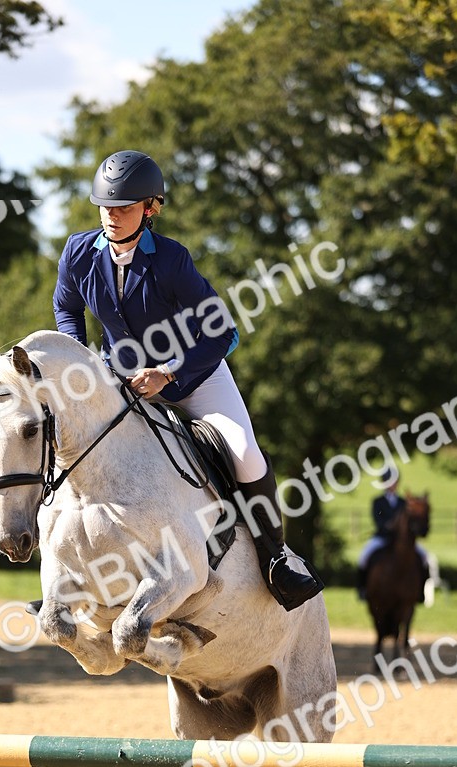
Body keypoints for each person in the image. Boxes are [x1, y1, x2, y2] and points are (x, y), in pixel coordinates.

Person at [52, 149, 323, 612]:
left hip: (194, 376)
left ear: (150, 209)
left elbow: (224, 333)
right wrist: (81, 359)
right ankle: (63, 572)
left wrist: (170, 372)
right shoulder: (78, 252)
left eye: (124, 207)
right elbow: (66, 309)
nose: (112, 216)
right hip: (121, 379)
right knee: (69, 444)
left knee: (243, 452)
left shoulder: (172, 261)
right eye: (106, 207)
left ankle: (275, 558)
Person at [356, 467, 429, 598]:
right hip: (382, 537)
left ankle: (420, 592)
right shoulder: (378, 501)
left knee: (424, 557)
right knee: (363, 557)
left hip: (400, 540)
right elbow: (378, 521)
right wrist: (389, 528)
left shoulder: (403, 502)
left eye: (394, 481)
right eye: (389, 481)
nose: (392, 484)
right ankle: (363, 589)